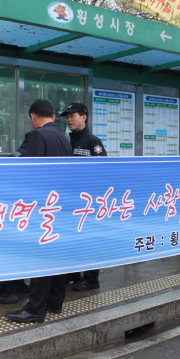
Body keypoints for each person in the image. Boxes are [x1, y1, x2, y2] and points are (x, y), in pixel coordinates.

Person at [6, 99, 72, 323]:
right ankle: (55, 302)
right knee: (57, 255)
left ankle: (35, 309)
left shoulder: (38, 135)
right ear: (51, 116)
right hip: (59, 205)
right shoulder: (63, 138)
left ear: (33, 116)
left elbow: (31, 172)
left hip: (42, 207)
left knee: (40, 257)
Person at [60, 102, 105, 291]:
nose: (69, 120)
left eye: (73, 116)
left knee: (90, 239)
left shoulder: (92, 142)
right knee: (73, 238)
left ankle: (91, 278)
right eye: (67, 117)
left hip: (89, 202)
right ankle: (73, 273)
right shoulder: (66, 142)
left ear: (84, 117)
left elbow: (102, 172)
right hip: (71, 201)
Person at [0, 132, 32, 305]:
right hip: (17, 209)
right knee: (14, 249)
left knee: (18, 248)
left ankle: (16, 283)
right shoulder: (30, 156)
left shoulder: (17, 154)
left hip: (10, 207)